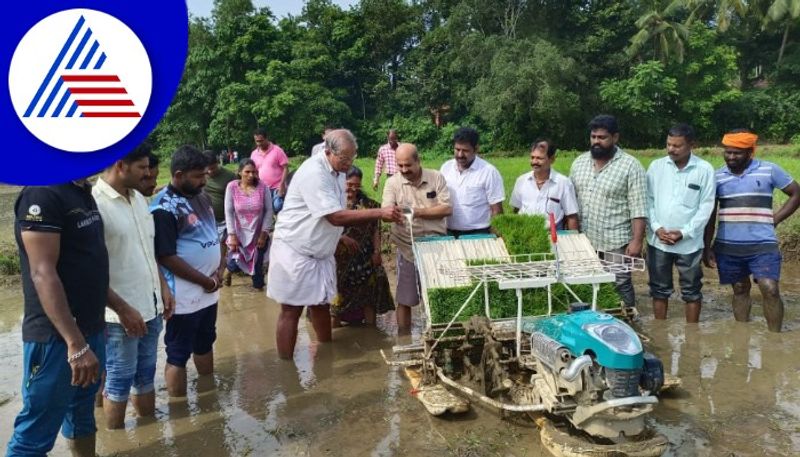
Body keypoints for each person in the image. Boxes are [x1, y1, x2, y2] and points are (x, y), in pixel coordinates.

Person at [7, 180, 128, 456]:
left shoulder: (82, 191)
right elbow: (42, 272)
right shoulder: (41, 192)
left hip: (91, 329)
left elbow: (87, 265)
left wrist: (121, 307)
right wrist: (75, 344)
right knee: (35, 431)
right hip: (57, 338)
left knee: (82, 414)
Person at [267, 129, 403, 360]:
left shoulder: (338, 170)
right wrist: (380, 212)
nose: (349, 164)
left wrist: (336, 236)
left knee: (321, 303)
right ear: (328, 152)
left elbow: (324, 213)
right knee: (291, 310)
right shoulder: (314, 173)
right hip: (295, 251)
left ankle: (325, 352)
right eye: (344, 159)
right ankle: (287, 370)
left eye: (352, 158)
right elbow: (334, 216)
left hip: (320, 250)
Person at [92, 145, 175, 429]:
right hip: (118, 315)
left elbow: (147, 250)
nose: (149, 173)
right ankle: (116, 442)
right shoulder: (95, 205)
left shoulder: (139, 198)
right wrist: (122, 309)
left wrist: (163, 287)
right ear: (120, 165)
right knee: (118, 379)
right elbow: (91, 271)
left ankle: (149, 436)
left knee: (145, 374)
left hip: (150, 304)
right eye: (142, 167)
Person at [703, 130, 800, 332]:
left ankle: (774, 338)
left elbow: (796, 193)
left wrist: (776, 219)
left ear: (750, 152)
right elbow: (710, 215)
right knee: (739, 289)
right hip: (728, 245)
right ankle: (742, 335)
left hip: (763, 244)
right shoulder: (717, 176)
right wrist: (707, 247)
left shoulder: (769, 170)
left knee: (769, 288)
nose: (731, 157)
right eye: (727, 152)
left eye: (737, 153)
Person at [150, 145, 223, 397]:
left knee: (205, 341)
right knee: (178, 352)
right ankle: (178, 408)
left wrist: (219, 270)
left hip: (209, 288)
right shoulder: (164, 207)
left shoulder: (201, 197)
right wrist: (205, 280)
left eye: (205, 174)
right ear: (179, 175)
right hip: (182, 294)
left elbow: (214, 236)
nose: (204, 180)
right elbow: (166, 256)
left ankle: (208, 392)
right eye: (198, 176)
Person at [569, 114, 646, 308]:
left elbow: (639, 207)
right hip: (584, 240)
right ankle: (593, 325)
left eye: (602, 137)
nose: (596, 141)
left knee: (619, 282)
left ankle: (628, 323)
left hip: (616, 240)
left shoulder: (630, 166)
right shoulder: (579, 163)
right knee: (586, 283)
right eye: (593, 137)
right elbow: (570, 202)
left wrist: (637, 241)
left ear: (615, 138)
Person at [646, 124, 715, 323]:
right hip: (658, 241)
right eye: (668, 144)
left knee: (692, 290)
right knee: (659, 289)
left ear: (691, 145)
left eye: (677, 146)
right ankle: (660, 329)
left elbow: (706, 207)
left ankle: (692, 335)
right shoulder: (656, 167)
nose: (671, 149)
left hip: (690, 243)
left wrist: (684, 232)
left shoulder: (704, 170)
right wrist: (657, 228)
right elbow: (648, 200)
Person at [383, 143, 452, 334]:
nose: (404, 170)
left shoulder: (436, 177)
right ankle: (403, 337)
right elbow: (386, 210)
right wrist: (392, 213)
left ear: (418, 161)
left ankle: (440, 333)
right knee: (405, 299)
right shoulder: (392, 183)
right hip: (408, 249)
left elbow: (446, 208)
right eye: (400, 166)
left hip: (436, 248)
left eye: (408, 165)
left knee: (438, 295)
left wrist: (417, 212)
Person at [331, 166, 395, 327]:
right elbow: (323, 228)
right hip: (339, 261)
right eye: (349, 184)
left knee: (368, 297)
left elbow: (376, 229)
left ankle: (370, 331)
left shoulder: (370, 205)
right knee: (337, 300)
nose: (353, 189)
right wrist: (342, 238)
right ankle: (333, 340)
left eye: (357, 186)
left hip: (364, 259)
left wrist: (377, 251)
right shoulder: (331, 204)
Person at [440, 127, 504, 237]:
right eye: (457, 149)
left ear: (476, 149)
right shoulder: (446, 168)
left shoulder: (488, 172)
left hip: (479, 233)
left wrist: (495, 235)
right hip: (448, 233)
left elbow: (497, 210)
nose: (460, 155)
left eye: (465, 151)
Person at [224, 159, 274, 290]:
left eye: (254, 172)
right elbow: (228, 211)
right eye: (247, 172)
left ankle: (259, 293)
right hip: (238, 233)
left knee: (258, 268)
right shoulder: (232, 187)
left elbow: (269, 210)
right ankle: (227, 272)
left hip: (258, 233)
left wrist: (264, 234)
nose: (251, 175)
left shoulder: (263, 187)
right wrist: (232, 235)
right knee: (234, 262)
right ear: (239, 172)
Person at [510, 138, 578, 230]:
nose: (534, 162)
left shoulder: (563, 183)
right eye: (532, 157)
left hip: (554, 235)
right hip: (525, 233)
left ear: (552, 159)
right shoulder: (521, 181)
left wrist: (572, 240)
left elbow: (571, 216)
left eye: (539, 158)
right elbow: (516, 211)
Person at [203, 149, 236, 273]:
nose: (210, 172)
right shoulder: (199, 174)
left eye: (213, 168)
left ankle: (222, 271)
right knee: (209, 247)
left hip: (224, 219)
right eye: (208, 169)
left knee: (222, 245)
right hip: (206, 219)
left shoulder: (229, 176)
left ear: (218, 163)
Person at [250, 128, 288, 212]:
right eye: (257, 141)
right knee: (265, 210)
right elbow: (254, 171)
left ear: (266, 138)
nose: (259, 143)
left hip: (277, 186)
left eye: (261, 141)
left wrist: (282, 185)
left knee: (277, 206)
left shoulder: (277, 150)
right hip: (263, 187)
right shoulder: (254, 154)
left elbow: (285, 168)